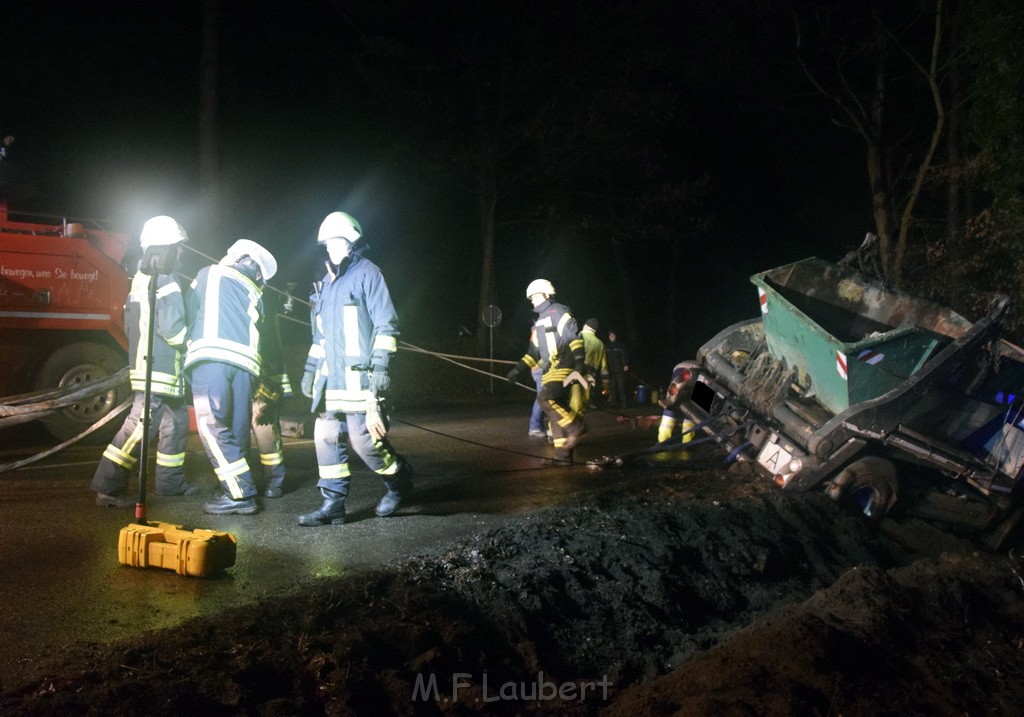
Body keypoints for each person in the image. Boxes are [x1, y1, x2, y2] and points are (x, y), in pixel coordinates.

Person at [297, 211, 413, 527]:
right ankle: (332, 505)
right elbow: (320, 335)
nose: (331, 248)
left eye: (337, 241)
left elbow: (386, 325)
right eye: (327, 243)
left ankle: (399, 481)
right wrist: (310, 368)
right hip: (330, 380)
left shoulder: (367, 274)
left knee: (365, 442)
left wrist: (381, 368)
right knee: (325, 435)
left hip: (360, 378)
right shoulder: (325, 285)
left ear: (351, 241)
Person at [92, 215, 198, 507]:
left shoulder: (140, 278)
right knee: (137, 428)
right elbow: (173, 329)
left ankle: (170, 484)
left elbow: (131, 326)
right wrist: (194, 346)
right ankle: (108, 488)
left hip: (151, 368)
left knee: (175, 423)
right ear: (165, 249)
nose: (180, 253)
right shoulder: (166, 279)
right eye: (177, 247)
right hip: (161, 370)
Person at [185, 238, 278, 516]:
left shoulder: (207, 273)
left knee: (211, 425)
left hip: (211, 358)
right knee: (237, 430)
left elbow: (191, 312)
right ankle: (234, 486)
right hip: (246, 367)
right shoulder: (255, 292)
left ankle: (239, 494)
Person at [506, 279, 588, 463]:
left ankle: (576, 427)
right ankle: (562, 456)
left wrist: (579, 363)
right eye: (531, 298)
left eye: (535, 296)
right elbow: (532, 354)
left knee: (545, 398)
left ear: (546, 295)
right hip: (550, 368)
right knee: (553, 413)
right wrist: (517, 370)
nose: (532, 300)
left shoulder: (558, 311)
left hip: (565, 363)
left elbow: (573, 338)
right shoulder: (539, 323)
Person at [251, 289, 293, 498]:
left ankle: (275, 481)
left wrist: (271, 382)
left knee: (265, 431)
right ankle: (244, 484)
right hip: (245, 375)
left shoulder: (262, 298)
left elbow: (269, 343)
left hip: (261, 377)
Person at [569, 317, 608, 418]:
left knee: (573, 403)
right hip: (589, 378)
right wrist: (606, 385)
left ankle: (567, 428)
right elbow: (604, 368)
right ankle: (578, 426)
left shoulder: (580, 336)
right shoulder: (601, 344)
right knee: (582, 404)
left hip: (577, 374)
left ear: (585, 326)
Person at [606, 330, 630, 409]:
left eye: (613, 335)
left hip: (620, 369)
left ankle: (624, 404)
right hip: (611, 370)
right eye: (610, 336)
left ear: (615, 336)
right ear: (609, 337)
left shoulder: (620, 346)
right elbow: (605, 358)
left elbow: (625, 355)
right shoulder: (607, 346)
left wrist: (626, 365)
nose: (612, 337)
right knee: (612, 387)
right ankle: (613, 404)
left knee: (621, 386)